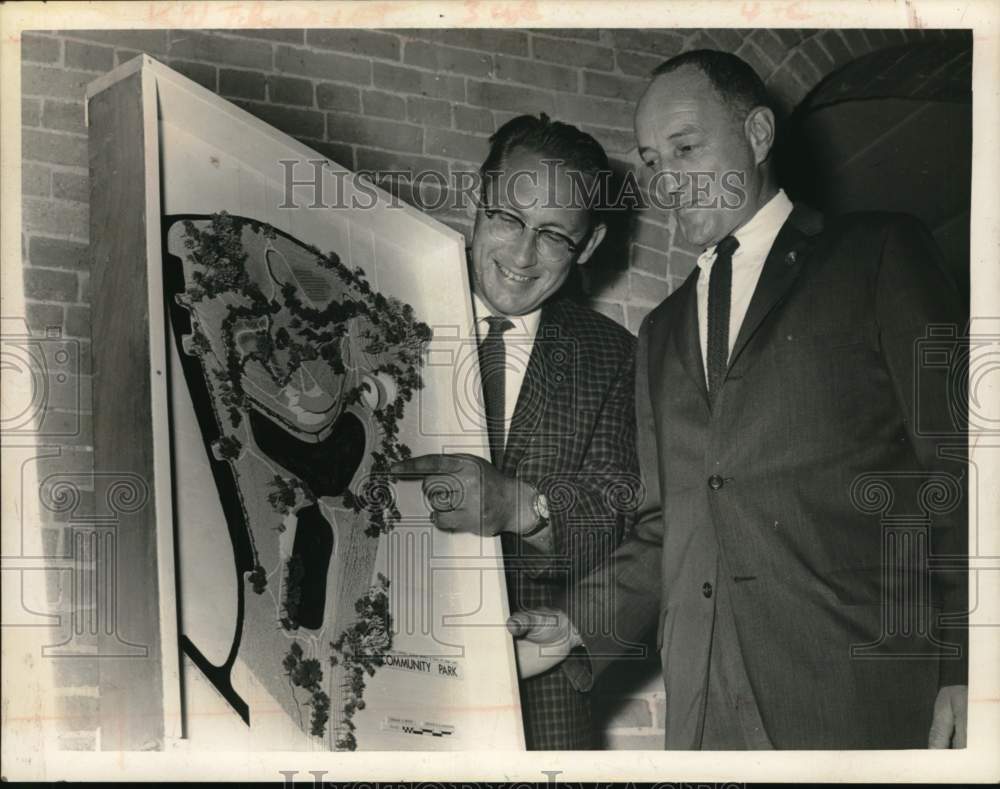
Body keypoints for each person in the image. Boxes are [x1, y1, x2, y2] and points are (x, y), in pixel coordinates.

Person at [508, 50, 969, 750]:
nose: (668, 180)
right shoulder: (660, 330)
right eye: (653, 161)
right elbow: (667, 524)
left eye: (686, 148)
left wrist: (970, 668)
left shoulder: (877, 252)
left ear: (756, 135)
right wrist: (576, 623)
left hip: (855, 700)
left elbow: (963, 467)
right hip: (704, 714)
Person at [392, 114, 640, 749]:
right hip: (377, 670)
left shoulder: (615, 357)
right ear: (478, 202)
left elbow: (624, 520)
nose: (522, 256)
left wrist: (516, 507)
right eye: (508, 218)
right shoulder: (389, 306)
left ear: (588, 246)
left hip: (541, 701)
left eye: (555, 236)